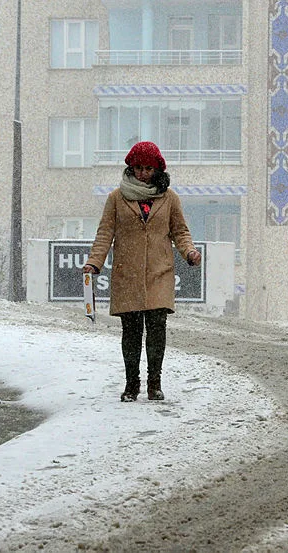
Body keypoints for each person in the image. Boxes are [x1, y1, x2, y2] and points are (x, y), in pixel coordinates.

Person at [84, 141, 201, 402]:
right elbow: (105, 232)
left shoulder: (170, 198)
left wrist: (189, 252)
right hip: (128, 273)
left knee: (157, 328)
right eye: (138, 167)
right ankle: (131, 384)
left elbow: (180, 231)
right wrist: (94, 262)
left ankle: (154, 383)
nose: (142, 173)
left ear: (157, 169)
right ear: (130, 167)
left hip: (160, 272)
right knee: (132, 331)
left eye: (148, 168)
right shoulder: (116, 198)